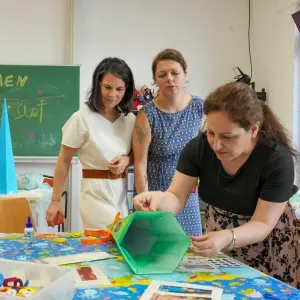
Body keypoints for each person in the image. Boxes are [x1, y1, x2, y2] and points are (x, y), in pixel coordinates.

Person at [134, 82, 300, 289]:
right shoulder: (198, 148)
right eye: (211, 133)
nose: (216, 145)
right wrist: (157, 200)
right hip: (218, 238)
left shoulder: (276, 159)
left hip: (267, 243)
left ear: (254, 129)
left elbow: (262, 224)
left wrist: (227, 236)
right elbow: (176, 197)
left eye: (227, 137)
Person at [46, 57, 136, 229]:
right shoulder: (82, 118)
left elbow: (135, 155)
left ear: (127, 90)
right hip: (94, 195)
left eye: (119, 89)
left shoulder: (130, 119)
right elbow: (64, 160)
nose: (113, 95)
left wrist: (127, 160)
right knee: (103, 245)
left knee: (119, 248)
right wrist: (55, 201)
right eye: (107, 87)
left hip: (121, 196)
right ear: (98, 86)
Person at [132, 49, 204, 236]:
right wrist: (144, 201)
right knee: (155, 250)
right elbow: (140, 163)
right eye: (162, 75)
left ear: (185, 76)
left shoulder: (200, 108)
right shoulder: (147, 114)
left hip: (188, 192)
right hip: (155, 194)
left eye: (175, 73)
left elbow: (210, 149)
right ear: (155, 80)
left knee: (191, 251)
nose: (169, 79)